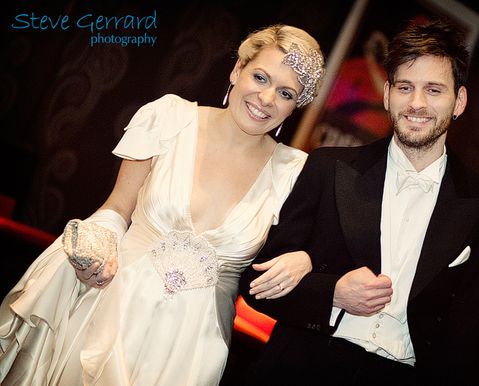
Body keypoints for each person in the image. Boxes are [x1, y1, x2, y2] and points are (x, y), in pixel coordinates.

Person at [0, 24, 325, 386]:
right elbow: (116, 209)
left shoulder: (296, 173)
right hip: (111, 310)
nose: (266, 98)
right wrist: (95, 247)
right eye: (260, 77)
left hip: (193, 348)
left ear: (296, 106)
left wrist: (307, 259)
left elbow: (311, 253)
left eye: (285, 92)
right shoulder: (169, 117)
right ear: (237, 70)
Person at [240, 18, 479, 385]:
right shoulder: (327, 168)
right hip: (302, 365)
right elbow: (255, 288)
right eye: (404, 87)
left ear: (458, 101)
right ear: (386, 94)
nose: (416, 103)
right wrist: (333, 293)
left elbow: (467, 332)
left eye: (433, 90)